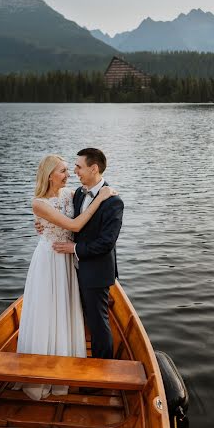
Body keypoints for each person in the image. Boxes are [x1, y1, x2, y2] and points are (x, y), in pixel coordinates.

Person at [16, 154, 117, 400]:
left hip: (70, 260)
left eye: (71, 169)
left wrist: (104, 193)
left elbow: (93, 190)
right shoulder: (39, 203)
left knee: (68, 308)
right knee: (48, 309)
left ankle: (71, 361)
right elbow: (74, 226)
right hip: (50, 259)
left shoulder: (71, 194)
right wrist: (42, 225)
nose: (69, 173)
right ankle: (43, 369)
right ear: (50, 175)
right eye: (63, 170)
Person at [53, 148, 124, 360]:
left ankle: (103, 371)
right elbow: (69, 223)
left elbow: (106, 243)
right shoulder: (78, 194)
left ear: (94, 168)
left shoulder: (113, 202)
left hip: (96, 272)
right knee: (83, 318)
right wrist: (42, 225)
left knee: (98, 323)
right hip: (75, 268)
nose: (75, 171)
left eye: (79, 167)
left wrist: (74, 249)